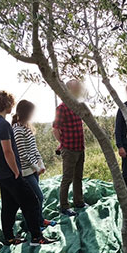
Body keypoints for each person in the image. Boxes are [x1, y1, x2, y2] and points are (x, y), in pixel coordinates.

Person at [0, 90, 55, 245]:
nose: (13, 105)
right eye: (11, 102)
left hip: (1, 173)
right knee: (31, 201)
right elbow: (7, 151)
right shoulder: (4, 125)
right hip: (10, 173)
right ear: (5, 104)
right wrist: (16, 171)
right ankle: (37, 237)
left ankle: (9, 237)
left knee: (9, 206)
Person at [12, 100, 57, 230]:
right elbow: (22, 153)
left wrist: (40, 163)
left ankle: (40, 220)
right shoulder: (17, 130)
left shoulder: (27, 127)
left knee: (36, 198)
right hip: (26, 171)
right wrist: (35, 167)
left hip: (33, 169)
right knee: (36, 198)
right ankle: (31, 226)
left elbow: (33, 148)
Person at [52, 79, 86, 216]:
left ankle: (79, 201)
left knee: (78, 177)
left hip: (80, 148)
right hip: (70, 149)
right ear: (68, 90)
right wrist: (64, 144)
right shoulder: (62, 108)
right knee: (67, 178)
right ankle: (64, 206)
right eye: (76, 88)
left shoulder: (78, 106)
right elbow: (55, 129)